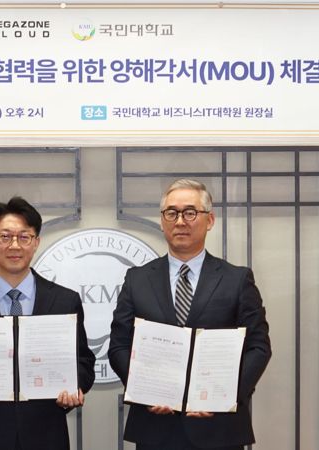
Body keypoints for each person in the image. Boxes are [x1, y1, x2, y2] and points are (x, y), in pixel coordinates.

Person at [109, 179, 271, 450]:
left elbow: (258, 347)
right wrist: (144, 391)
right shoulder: (137, 279)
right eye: (171, 213)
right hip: (155, 429)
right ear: (162, 221)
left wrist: (225, 397)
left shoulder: (237, 279)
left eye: (190, 212)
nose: (180, 221)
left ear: (210, 220)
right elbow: (119, 346)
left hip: (220, 429)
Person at [0, 197, 96, 450]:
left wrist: (75, 387)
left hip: (47, 434)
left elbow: (83, 361)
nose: (14, 245)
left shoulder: (65, 301)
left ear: (36, 242)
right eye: (5, 236)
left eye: (24, 237)